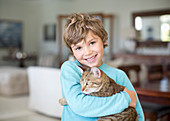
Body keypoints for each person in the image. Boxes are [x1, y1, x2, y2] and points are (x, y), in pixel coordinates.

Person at [60, 13, 144, 121]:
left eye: (92, 43)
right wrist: (126, 99)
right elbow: (80, 105)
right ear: (72, 52)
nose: (87, 52)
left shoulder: (119, 75)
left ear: (104, 41)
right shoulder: (70, 68)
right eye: (78, 48)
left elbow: (139, 116)